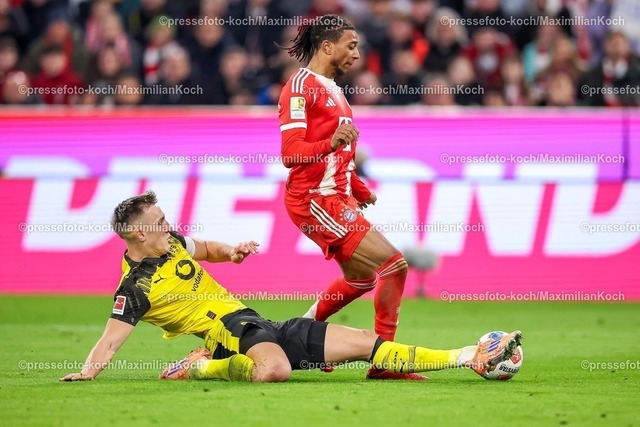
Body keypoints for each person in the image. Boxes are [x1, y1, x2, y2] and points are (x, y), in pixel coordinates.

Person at [59, 191, 522, 383]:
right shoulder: (135, 287)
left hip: (256, 324)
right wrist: (87, 372)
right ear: (137, 234)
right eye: (159, 222)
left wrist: (233, 251)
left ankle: (469, 356)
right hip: (228, 332)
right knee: (275, 370)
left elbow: (207, 248)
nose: (168, 224)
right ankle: (201, 367)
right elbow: (111, 338)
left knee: (365, 342)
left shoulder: (173, 243)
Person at [276, 14, 420, 380]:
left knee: (362, 278)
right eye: (351, 46)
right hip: (314, 200)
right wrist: (331, 143)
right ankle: (385, 362)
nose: (357, 54)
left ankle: (297, 340)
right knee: (394, 266)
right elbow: (290, 153)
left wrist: (357, 187)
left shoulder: (336, 91)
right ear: (327, 46)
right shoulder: (299, 87)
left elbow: (339, 155)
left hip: (336, 197)